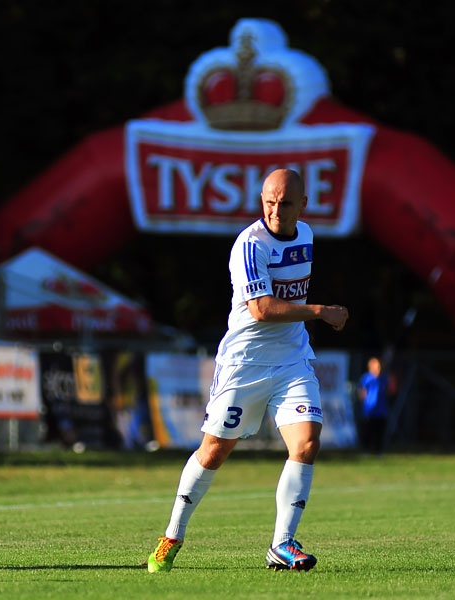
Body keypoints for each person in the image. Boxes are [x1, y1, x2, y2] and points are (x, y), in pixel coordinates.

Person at [147, 168, 349, 573]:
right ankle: (172, 534)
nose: (276, 210)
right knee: (214, 451)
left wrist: (309, 321)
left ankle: (282, 544)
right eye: (269, 201)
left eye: (285, 202)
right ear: (261, 200)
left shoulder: (306, 236)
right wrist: (320, 312)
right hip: (244, 364)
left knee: (307, 443)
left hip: (292, 360)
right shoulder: (249, 245)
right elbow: (261, 309)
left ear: (303, 205)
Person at [356, 356, 394, 456]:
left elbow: (390, 390)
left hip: (381, 410)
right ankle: (365, 450)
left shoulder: (384, 378)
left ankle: (379, 451)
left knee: (380, 432)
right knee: (368, 431)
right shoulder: (366, 378)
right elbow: (361, 391)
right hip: (369, 410)